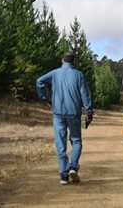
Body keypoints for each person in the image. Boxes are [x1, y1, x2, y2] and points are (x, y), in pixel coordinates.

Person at [36, 51, 94, 185]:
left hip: (58, 113)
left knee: (60, 143)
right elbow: (85, 94)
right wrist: (89, 111)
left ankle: (63, 175)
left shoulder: (55, 73)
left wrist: (45, 97)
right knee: (76, 141)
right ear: (73, 61)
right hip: (74, 112)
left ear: (63, 60)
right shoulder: (79, 75)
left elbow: (39, 81)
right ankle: (73, 167)